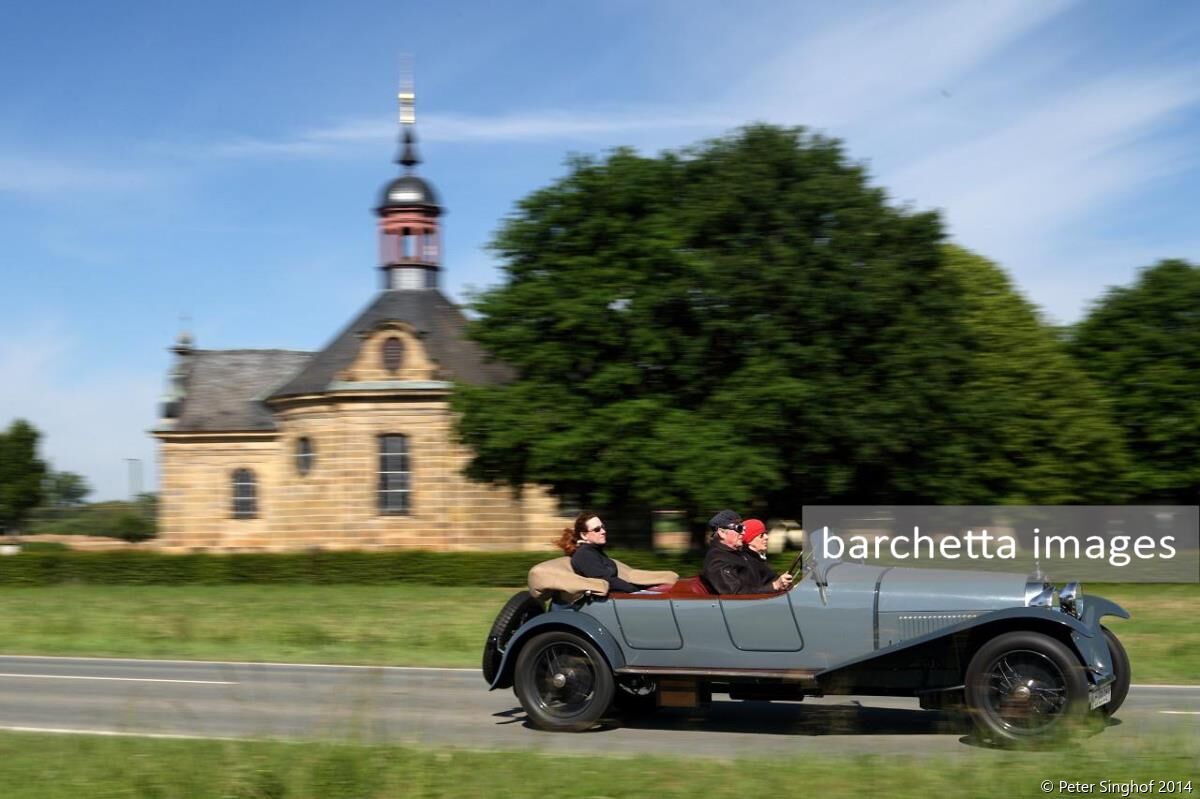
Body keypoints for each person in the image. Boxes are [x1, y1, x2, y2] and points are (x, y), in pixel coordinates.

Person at [702, 509, 792, 594]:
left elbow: (762, 576)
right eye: (739, 528)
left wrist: (781, 583)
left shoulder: (737, 554)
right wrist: (774, 586)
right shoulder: (717, 560)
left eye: (744, 529)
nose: (743, 533)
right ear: (722, 533)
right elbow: (735, 594)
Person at [557, 511, 647, 593]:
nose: (603, 531)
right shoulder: (584, 555)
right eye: (597, 530)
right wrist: (637, 592)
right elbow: (606, 580)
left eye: (603, 527)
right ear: (584, 535)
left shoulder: (594, 551)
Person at [741, 518, 780, 587]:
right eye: (761, 535)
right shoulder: (749, 563)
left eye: (766, 533)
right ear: (749, 540)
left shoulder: (759, 559)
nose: (766, 537)